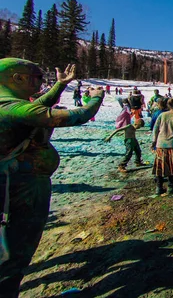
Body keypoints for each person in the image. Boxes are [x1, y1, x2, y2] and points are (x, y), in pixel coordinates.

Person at [0, 60, 103, 296]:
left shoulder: (8, 104)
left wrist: (59, 86)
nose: (40, 84)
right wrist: (96, 98)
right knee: (14, 252)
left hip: (16, 182)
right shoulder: (13, 109)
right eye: (37, 78)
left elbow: (35, 106)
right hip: (18, 189)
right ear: (17, 79)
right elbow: (76, 115)